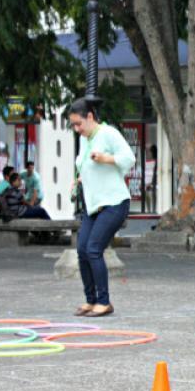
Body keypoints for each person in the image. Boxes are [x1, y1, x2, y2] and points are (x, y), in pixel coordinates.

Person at [68, 97, 135, 318]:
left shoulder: (108, 133)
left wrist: (107, 158)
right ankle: (91, 300)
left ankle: (104, 301)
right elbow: (84, 164)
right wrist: (78, 180)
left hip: (114, 203)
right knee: (82, 250)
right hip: (93, 205)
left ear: (90, 117)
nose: (77, 129)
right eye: (73, 125)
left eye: (79, 124)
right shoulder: (85, 140)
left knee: (94, 249)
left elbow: (129, 158)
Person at [144, 145, 157, 212]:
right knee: (147, 196)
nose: (148, 153)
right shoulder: (145, 162)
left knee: (152, 195)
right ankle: (149, 211)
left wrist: (151, 183)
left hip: (152, 184)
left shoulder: (156, 162)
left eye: (149, 152)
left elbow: (155, 174)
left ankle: (153, 210)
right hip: (147, 183)